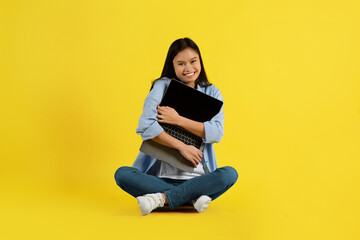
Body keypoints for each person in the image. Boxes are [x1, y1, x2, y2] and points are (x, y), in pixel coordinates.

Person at [114, 37, 238, 216]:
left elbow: (217, 132)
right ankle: (193, 198)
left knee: (229, 174)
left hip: (199, 178)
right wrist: (182, 147)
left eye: (193, 61)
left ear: (200, 61)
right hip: (160, 179)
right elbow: (146, 126)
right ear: (172, 66)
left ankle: (161, 199)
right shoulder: (162, 86)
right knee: (122, 174)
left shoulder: (212, 91)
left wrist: (177, 120)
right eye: (181, 63)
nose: (188, 68)